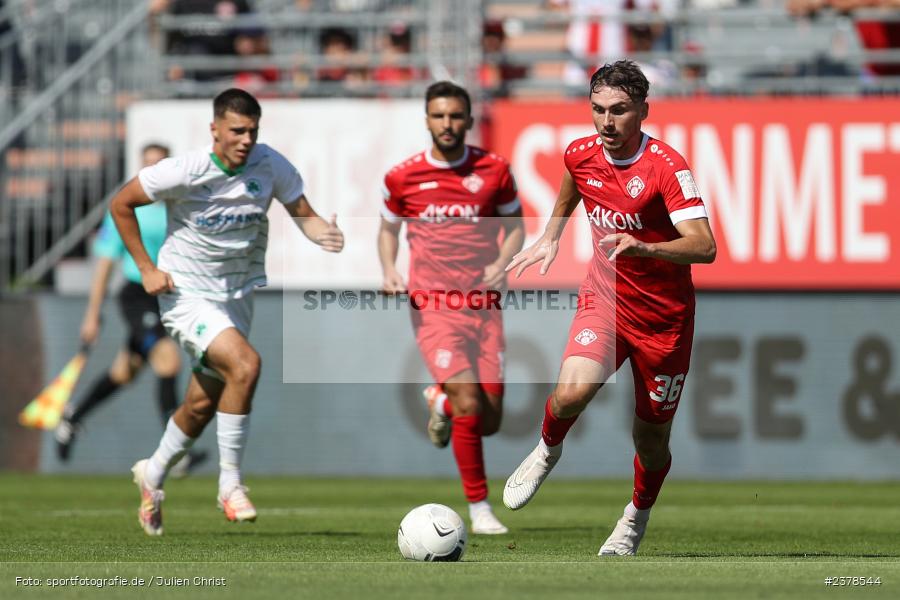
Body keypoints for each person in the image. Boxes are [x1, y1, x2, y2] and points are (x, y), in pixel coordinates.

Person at [502, 60, 716, 555]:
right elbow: (573, 186)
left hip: (664, 320)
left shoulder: (667, 167)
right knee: (570, 394)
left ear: (643, 110)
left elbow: (704, 247)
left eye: (619, 111)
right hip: (607, 298)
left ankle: (634, 519)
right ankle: (546, 451)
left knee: (650, 439)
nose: (606, 122)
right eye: (597, 110)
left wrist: (647, 248)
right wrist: (550, 236)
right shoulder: (581, 153)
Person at [110, 88, 344, 536]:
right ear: (214, 129)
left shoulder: (270, 164)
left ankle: (153, 474)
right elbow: (121, 204)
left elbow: (304, 212)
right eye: (236, 130)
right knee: (246, 364)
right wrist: (145, 267)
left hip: (236, 297)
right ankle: (230, 485)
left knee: (199, 405)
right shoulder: (185, 170)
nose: (245, 138)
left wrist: (323, 235)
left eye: (252, 130)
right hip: (185, 295)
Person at [378, 81, 524, 535]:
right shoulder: (402, 177)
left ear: (468, 119)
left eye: (455, 116)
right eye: (439, 116)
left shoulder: (495, 170)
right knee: (468, 402)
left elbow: (515, 226)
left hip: (485, 306)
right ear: (427, 119)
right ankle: (479, 509)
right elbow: (388, 230)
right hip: (434, 305)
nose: (447, 124)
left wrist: (503, 260)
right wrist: (388, 269)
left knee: (490, 420)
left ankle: (436, 399)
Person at [55, 144, 206, 477]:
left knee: (125, 372)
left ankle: (72, 416)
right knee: (167, 361)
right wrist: (92, 313)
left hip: (168, 296)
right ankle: (177, 453)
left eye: (158, 164)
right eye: (146, 165)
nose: (152, 171)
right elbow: (106, 263)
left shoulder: (180, 206)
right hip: (137, 294)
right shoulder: (128, 207)